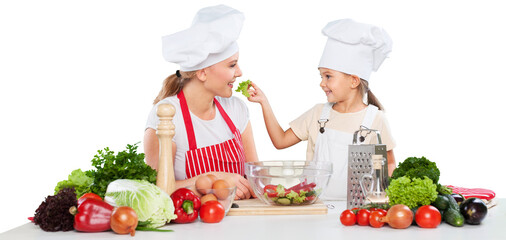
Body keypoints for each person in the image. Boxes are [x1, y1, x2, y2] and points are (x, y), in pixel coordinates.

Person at [247, 19, 396, 200]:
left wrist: (383, 199)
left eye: (328, 76)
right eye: (321, 76)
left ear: (354, 81)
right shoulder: (318, 114)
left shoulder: (375, 119)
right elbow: (280, 141)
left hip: (356, 212)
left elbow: (389, 164)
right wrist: (264, 102)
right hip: (315, 207)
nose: (322, 83)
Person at [144, 5, 258, 200]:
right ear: (203, 72)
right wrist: (213, 179)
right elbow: (157, 190)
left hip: (241, 220)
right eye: (232, 65)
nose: (239, 72)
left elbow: (255, 177)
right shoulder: (166, 115)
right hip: (192, 225)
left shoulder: (236, 109)